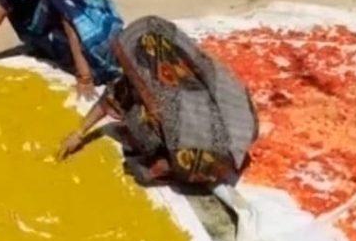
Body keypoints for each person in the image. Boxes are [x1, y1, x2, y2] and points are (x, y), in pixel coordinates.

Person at [56, 16, 258, 186]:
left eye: (130, 62)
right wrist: (80, 132)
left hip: (219, 148)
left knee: (166, 149)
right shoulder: (155, 76)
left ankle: (170, 163)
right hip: (182, 126)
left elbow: (209, 157)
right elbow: (111, 96)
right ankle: (166, 152)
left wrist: (162, 167)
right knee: (134, 98)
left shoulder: (184, 97)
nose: (126, 67)